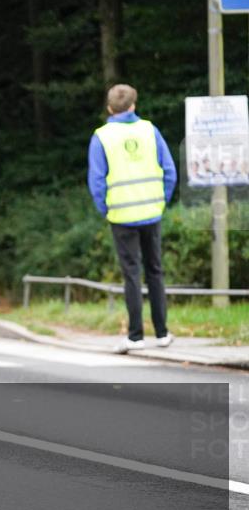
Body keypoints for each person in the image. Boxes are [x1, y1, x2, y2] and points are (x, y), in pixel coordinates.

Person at [87, 84, 176, 353]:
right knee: (156, 272)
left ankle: (136, 336)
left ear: (110, 108)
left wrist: (106, 209)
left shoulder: (101, 137)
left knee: (132, 275)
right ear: (133, 106)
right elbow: (169, 171)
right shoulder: (150, 130)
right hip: (151, 212)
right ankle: (162, 333)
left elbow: (97, 181)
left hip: (121, 215)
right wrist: (161, 202)